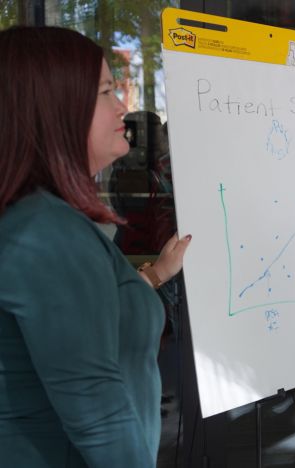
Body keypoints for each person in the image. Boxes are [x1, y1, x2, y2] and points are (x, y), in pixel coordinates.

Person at [0, 26, 190, 467]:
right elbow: (101, 420)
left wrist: (156, 275)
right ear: (57, 110)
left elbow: (90, 320)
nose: (123, 106)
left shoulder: (41, 222)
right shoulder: (44, 235)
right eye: (106, 91)